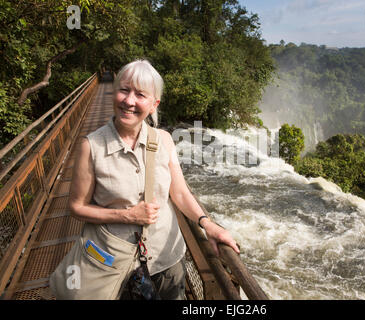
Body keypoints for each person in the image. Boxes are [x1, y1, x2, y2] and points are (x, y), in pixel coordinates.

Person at [69, 59, 240, 300]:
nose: (129, 101)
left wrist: (207, 224)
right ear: (113, 92)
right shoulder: (91, 146)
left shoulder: (164, 140)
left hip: (166, 259)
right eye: (124, 90)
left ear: (153, 104)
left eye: (140, 94)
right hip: (116, 264)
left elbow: (179, 193)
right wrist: (126, 215)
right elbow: (76, 207)